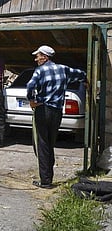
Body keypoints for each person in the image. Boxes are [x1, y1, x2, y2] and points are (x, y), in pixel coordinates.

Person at [26, 45, 87, 189]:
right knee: (50, 142)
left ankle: (46, 181)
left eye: (38, 56)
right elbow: (81, 74)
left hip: (43, 109)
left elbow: (30, 86)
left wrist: (31, 101)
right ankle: (48, 176)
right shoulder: (63, 69)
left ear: (45, 57)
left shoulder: (39, 71)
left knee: (42, 144)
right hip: (57, 111)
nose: (36, 59)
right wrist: (85, 81)